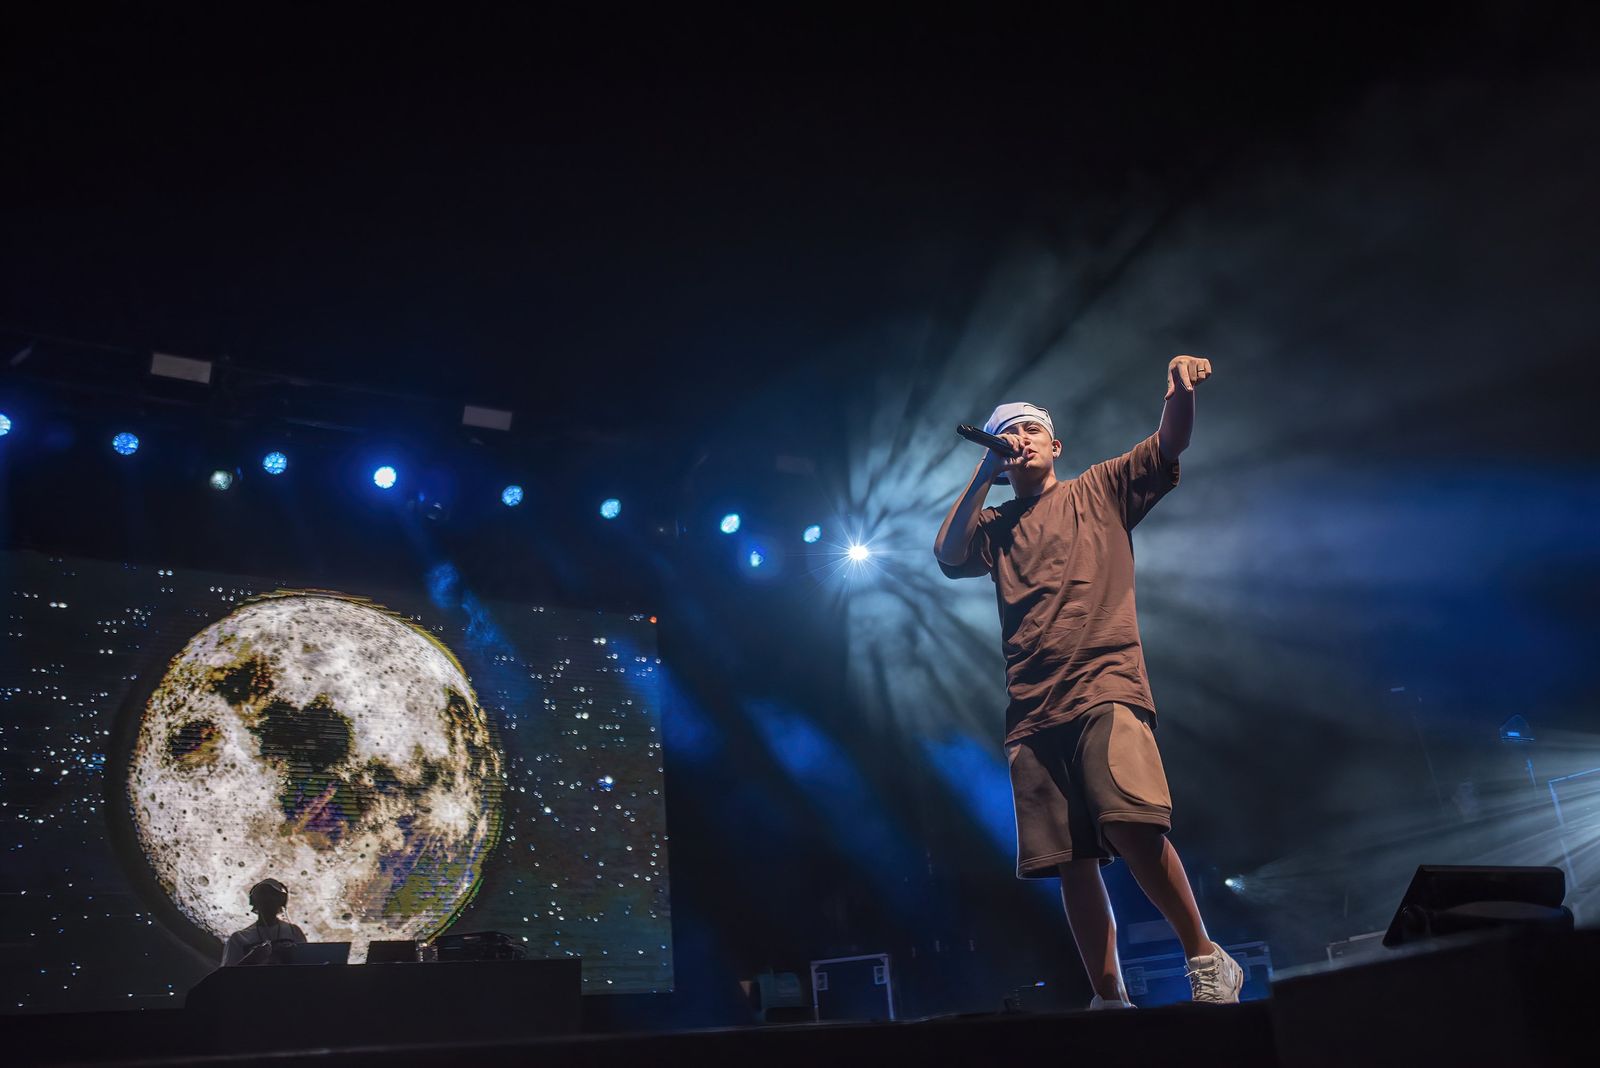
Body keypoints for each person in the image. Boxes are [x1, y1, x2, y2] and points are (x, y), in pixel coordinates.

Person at [933, 354, 1243, 1008]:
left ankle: (1205, 957)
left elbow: (1169, 444)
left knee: (1131, 823)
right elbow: (948, 553)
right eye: (1006, 433)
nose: (1016, 441)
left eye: (1028, 431)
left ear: (1055, 444)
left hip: (1105, 685)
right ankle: (1109, 997)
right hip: (1032, 712)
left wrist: (1178, 393)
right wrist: (984, 474)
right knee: (1070, 858)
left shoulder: (1097, 489)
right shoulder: (994, 525)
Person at [220, 878, 308, 966]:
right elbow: (227, 975)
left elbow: (307, 966)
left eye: (273, 895)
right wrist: (251, 959)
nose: (268, 900)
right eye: (263, 895)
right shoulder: (239, 938)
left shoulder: (294, 932)